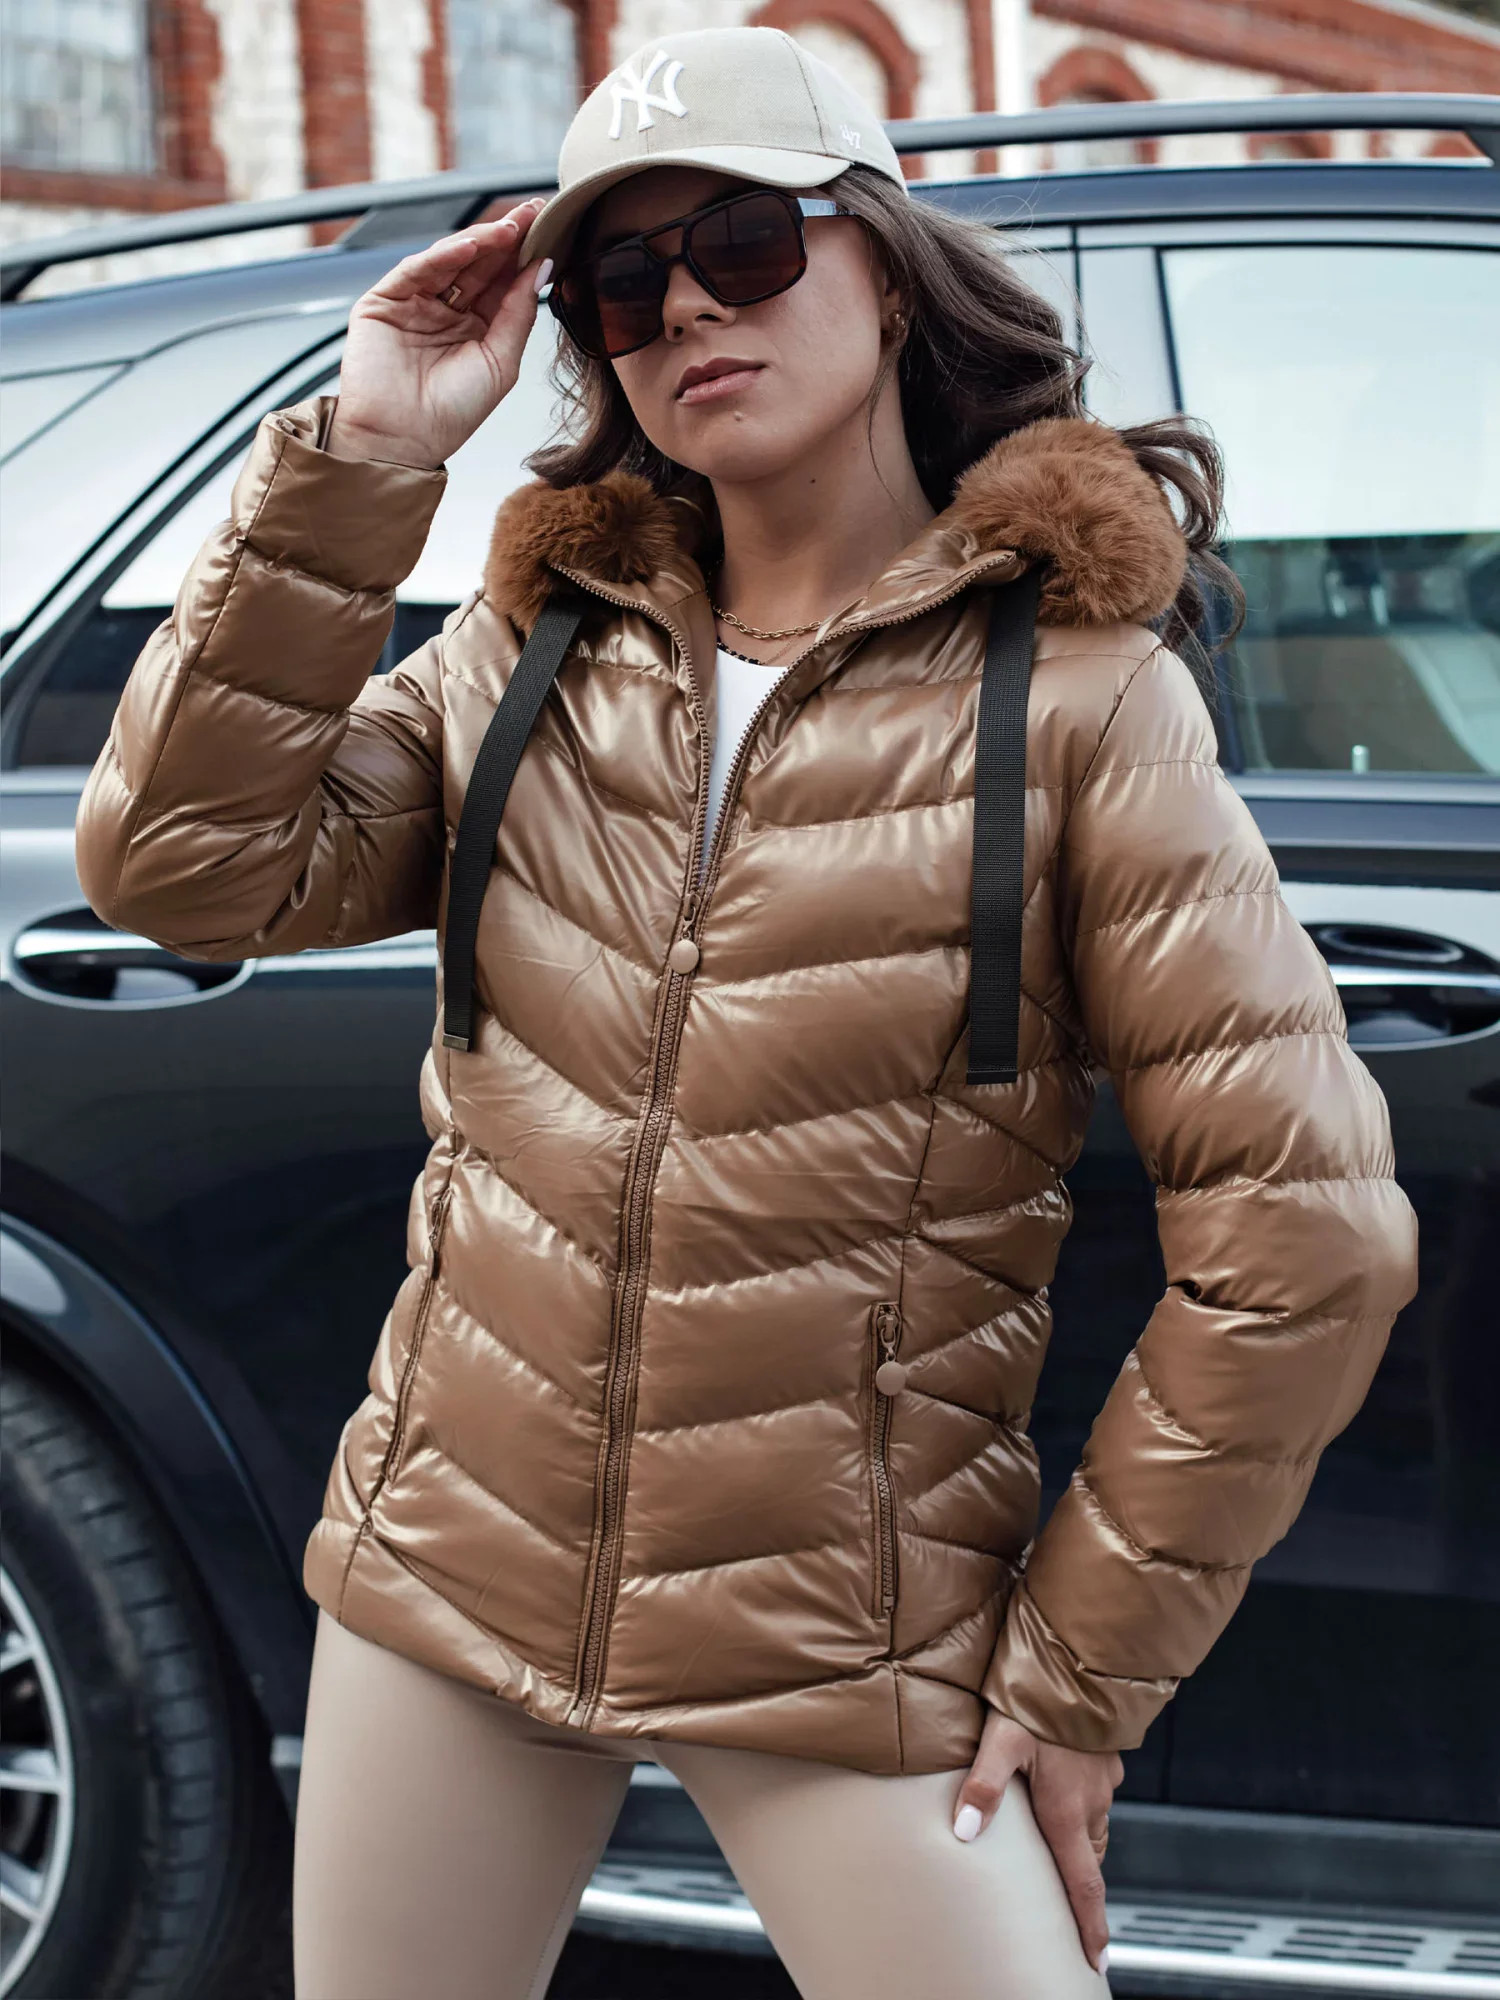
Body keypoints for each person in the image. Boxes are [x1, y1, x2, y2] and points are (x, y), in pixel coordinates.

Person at [74, 26, 1419, 2000]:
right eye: (625, 281)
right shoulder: (532, 652)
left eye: (747, 242)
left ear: (890, 265)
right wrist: (367, 458)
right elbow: (181, 867)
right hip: (448, 1572)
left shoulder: (1078, 700)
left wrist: (1083, 1671)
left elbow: (1304, 1238)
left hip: (843, 1638)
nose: (690, 305)